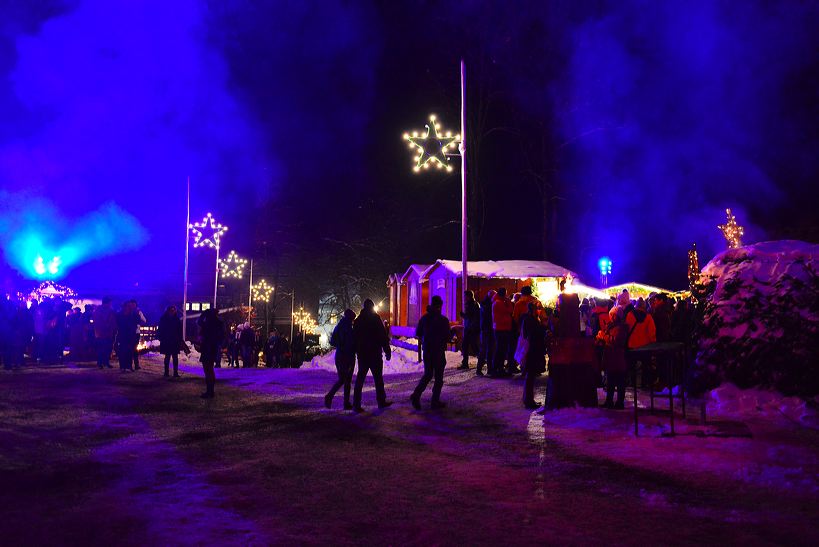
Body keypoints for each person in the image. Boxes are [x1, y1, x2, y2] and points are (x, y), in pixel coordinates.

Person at [411, 296, 451, 410]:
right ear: (439, 306)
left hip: (428, 350)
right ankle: (435, 401)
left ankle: (416, 395)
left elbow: (418, 333)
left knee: (428, 374)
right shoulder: (443, 320)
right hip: (438, 351)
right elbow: (447, 337)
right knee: (439, 377)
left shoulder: (424, 318)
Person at [352, 299, 392, 412]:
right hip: (375, 353)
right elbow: (382, 335)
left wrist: (356, 350)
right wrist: (387, 350)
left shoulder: (358, 320)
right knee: (378, 379)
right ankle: (381, 401)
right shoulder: (375, 318)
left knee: (360, 379)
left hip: (363, 353)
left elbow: (355, 337)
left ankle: (356, 404)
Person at [325, 309, 356, 409]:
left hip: (340, 355)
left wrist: (340, 345)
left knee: (344, 379)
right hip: (346, 356)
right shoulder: (348, 327)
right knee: (345, 380)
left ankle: (345, 402)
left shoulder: (339, 326)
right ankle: (331, 397)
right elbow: (351, 342)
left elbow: (332, 341)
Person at [520, 302, 547, 409]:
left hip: (531, 349)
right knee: (530, 375)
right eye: (537, 308)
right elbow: (534, 333)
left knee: (530, 376)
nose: (539, 310)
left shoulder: (528, 318)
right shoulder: (530, 319)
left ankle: (528, 399)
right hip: (532, 350)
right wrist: (543, 327)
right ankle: (528, 400)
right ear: (534, 309)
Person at [197, 307, 224, 399]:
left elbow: (199, 322)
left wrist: (203, 314)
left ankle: (210, 391)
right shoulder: (218, 322)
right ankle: (210, 390)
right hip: (213, 347)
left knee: (207, 369)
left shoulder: (208, 323)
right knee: (210, 369)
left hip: (207, 347)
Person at [491, 288, 514, 377]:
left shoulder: (497, 301)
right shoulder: (499, 303)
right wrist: (508, 301)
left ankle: (498, 369)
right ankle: (498, 369)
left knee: (500, 349)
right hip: (501, 328)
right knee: (501, 350)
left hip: (500, 327)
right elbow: (510, 310)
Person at [158, 305, 184, 377]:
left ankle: (175, 372)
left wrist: (179, 339)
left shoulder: (176, 319)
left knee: (175, 357)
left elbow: (179, 330)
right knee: (167, 356)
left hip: (174, 340)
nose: (172, 312)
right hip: (167, 340)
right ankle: (166, 372)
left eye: (174, 310)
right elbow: (160, 329)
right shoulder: (164, 319)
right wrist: (161, 338)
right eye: (171, 310)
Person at [92, 297, 117, 369]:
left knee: (108, 348)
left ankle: (106, 362)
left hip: (108, 332)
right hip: (101, 332)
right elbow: (96, 322)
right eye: (109, 303)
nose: (110, 304)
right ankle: (100, 362)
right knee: (101, 348)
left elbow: (113, 321)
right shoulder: (98, 311)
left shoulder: (111, 311)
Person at [476, 290, 496, 376]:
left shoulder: (484, 304)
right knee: (486, 350)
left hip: (485, 329)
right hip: (487, 330)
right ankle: (482, 369)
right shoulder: (488, 305)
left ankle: (486, 369)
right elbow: (488, 317)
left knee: (486, 350)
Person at [459, 290, 480, 371]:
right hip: (473, 328)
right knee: (472, 345)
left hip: (470, 328)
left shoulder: (470, 304)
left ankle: (465, 363)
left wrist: (462, 315)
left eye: (465, 296)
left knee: (466, 345)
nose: (464, 298)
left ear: (468, 296)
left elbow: (469, 317)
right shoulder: (476, 304)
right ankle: (480, 359)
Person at [116, 300, 139, 371]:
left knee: (129, 351)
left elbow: (138, 322)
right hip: (122, 335)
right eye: (126, 307)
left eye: (128, 307)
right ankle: (123, 366)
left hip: (130, 335)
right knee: (123, 351)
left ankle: (128, 366)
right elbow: (117, 325)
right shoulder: (120, 315)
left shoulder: (133, 314)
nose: (127, 308)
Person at [131, 302, 147, 370]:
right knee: (131, 349)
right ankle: (131, 365)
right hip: (129, 332)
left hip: (135, 332)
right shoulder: (128, 311)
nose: (132, 306)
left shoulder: (138, 312)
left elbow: (144, 320)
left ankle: (136, 365)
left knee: (134, 349)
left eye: (133, 304)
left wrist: (138, 323)